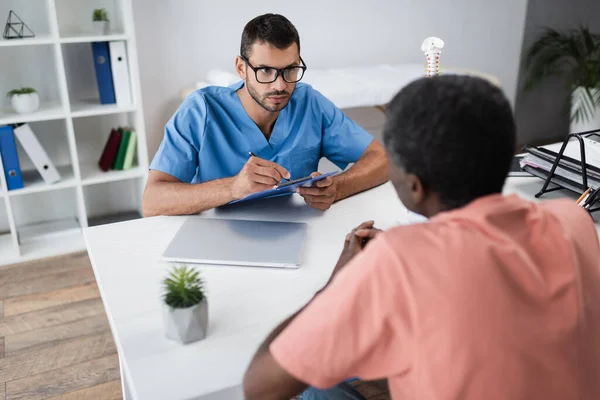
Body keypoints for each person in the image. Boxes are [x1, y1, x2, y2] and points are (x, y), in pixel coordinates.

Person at [241, 75, 600, 400]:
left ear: (414, 185)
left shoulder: (397, 261)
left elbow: (261, 386)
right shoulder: (572, 220)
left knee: (316, 389)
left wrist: (340, 284)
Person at [142, 13, 388, 216]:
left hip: (300, 229)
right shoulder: (201, 110)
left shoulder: (309, 102)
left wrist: (338, 188)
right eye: (265, 71)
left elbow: (381, 158)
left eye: (290, 70)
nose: (279, 85)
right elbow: (152, 201)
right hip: (217, 234)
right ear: (241, 68)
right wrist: (233, 188)